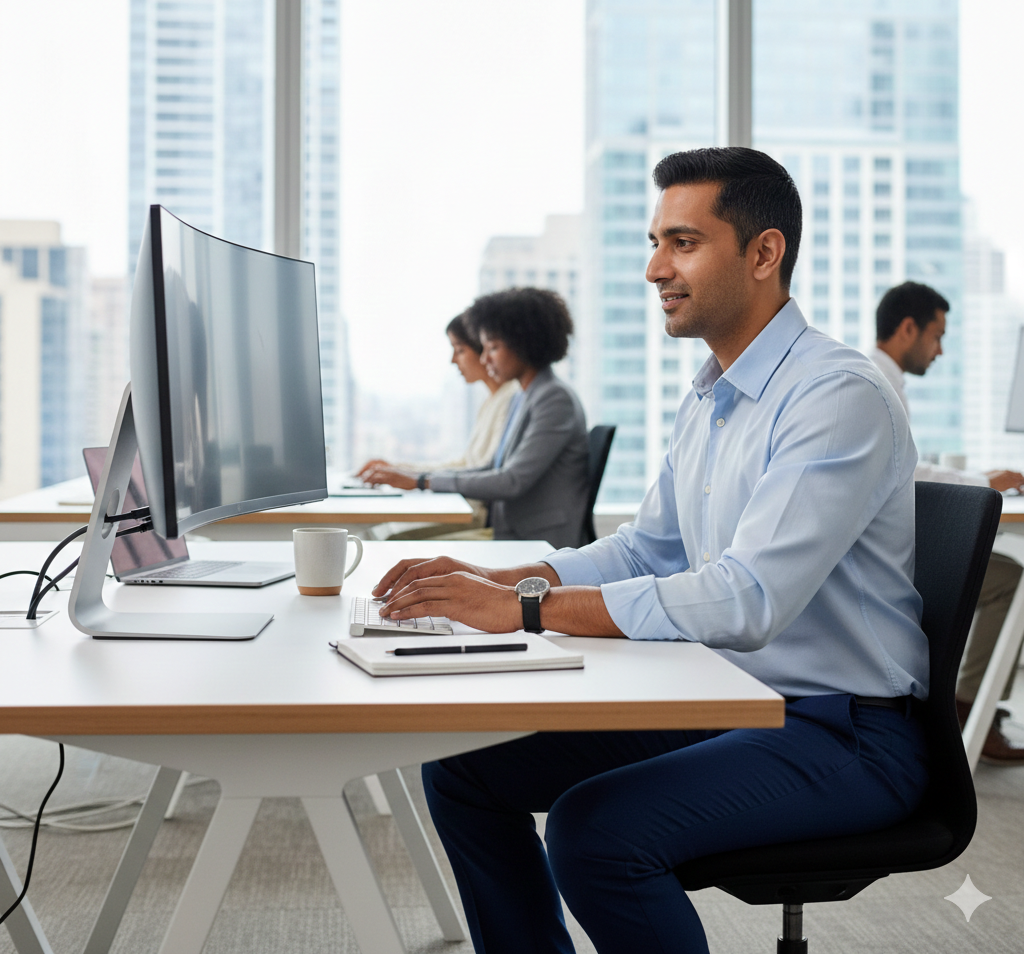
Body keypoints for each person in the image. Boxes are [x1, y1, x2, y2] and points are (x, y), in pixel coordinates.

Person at [368, 148, 930, 954]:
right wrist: (502, 580)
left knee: (595, 830)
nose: (654, 267)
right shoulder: (710, 395)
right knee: (464, 767)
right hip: (730, 702)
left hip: (844, 732)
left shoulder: (835, 395)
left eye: (683, 242)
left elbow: (746, 598)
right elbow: (645, 551)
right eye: (653, 241)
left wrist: (527, 608)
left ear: (764, 253)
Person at [872, 281, 1024, 764]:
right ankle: (967, 707)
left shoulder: (882, 379)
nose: (939, 350)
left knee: (1002, 574)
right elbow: (908, 470)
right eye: (937, 335)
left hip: (889, 546)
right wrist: (983, 480)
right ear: (908, 328)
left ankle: (968, 704)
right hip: (889, 559)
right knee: (1009, 580)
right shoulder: (875, 382)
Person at [364, 287, 589, 550]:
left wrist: (421, 481)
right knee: (394, 544)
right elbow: (491, 468)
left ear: (524, 343)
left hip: (534, 540)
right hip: (510, 532)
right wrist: (420, 478)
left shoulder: (554, 399)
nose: (484, 358)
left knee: (397, 548)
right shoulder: (524, 397)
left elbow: (512, 481)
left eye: (493, 347)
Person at [357, 311, 519, 534]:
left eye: (460, 350)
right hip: (465, 504)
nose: (454, 360)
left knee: (386, 533)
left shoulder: (511, 399)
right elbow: (465, 463)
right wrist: (400, 469)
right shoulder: (492, 400)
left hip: (476, 512)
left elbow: (479, 471)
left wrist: (415, 478)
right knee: (381, 530)